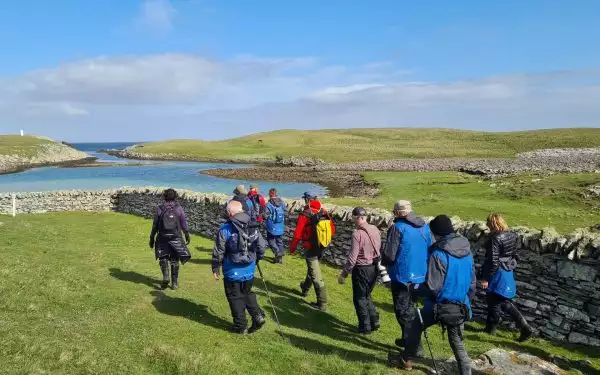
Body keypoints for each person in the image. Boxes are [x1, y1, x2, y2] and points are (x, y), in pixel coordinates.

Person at [401, 215, 476, 375]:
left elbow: (433, 287)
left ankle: (407, 359)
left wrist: (414, 288)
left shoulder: (439, 254)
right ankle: (466, 372)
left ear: (436, 233)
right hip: (461, 306)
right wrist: (464, 301)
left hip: (440, 305)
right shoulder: (467, 251)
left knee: (415, 324)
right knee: (457, 342)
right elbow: (472, 284)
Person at [381, 200, 432, 347]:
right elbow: (431, 248)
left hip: (402, 276)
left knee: (403, 311)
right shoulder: (424, 227)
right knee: (412, 310)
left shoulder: (397, 228)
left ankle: (413, 346)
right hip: (420, 276)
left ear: (397, 213)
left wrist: (383, 263)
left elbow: (390, 255)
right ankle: (407, 339)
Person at [212, 200, 267, 334]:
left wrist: (215, 267)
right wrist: (256, 259)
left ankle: (241, 326)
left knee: (235, 296)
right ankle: (257, 316)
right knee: (247, 292)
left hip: (232, 270)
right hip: (249, 268)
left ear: (230, 212)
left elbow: (219, 250)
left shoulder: (225, 228)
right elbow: (261, 246)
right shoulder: (252, 225)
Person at [481, 212, 533, 342]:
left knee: (495, 300)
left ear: (492, 224)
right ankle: (523, 326)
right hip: (507, 269)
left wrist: (486, 278)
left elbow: (493, 260)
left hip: (497, 271)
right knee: (501, 300)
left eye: (488, 224)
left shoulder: (495, 238)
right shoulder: (512, 235)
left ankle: (491, 330)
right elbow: (514, 254)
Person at [338, 207, 381, 334]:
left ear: (358, 218)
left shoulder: (357, 234)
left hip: (362, 268)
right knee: (367, 295)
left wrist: (344, 274)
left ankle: (364, 326)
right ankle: (374, 321)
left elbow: (352, 257)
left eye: (353, 218)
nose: (352, 221)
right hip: (374, 267)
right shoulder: (375, 229)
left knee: (360, 298)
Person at [290, 191, 336, 311]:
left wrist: (293, 248)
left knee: (316, 275)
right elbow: (332, 229)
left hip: (310, 247)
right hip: (322, 246)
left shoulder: (305, 214)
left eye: (305, 199)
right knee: (312, 269)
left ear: (307, 200)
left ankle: (322, 304)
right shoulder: (323, 211)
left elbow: (297, 234)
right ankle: (305, 289)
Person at [149, 188, 191, 290]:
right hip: (176, 237)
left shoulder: (160, 208)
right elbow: (183, 222)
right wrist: (186, 234)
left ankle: (166, 277)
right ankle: (174, 283)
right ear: (175, 196)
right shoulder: (178, 208)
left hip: (162, 237)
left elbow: (155, 225)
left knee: (163, 257)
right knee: (175, 259)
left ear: (164, 196)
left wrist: (151, 238)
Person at [263, 188, 286, 264]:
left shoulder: (268, 204)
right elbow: (284, 211)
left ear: (269, 195)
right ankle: (280, 258)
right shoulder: (282, 203)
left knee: (270, 240)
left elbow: (265, 216)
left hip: (272, 226)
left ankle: (277, 252)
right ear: (276, 194)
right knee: (279, 240)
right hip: (280, 225)